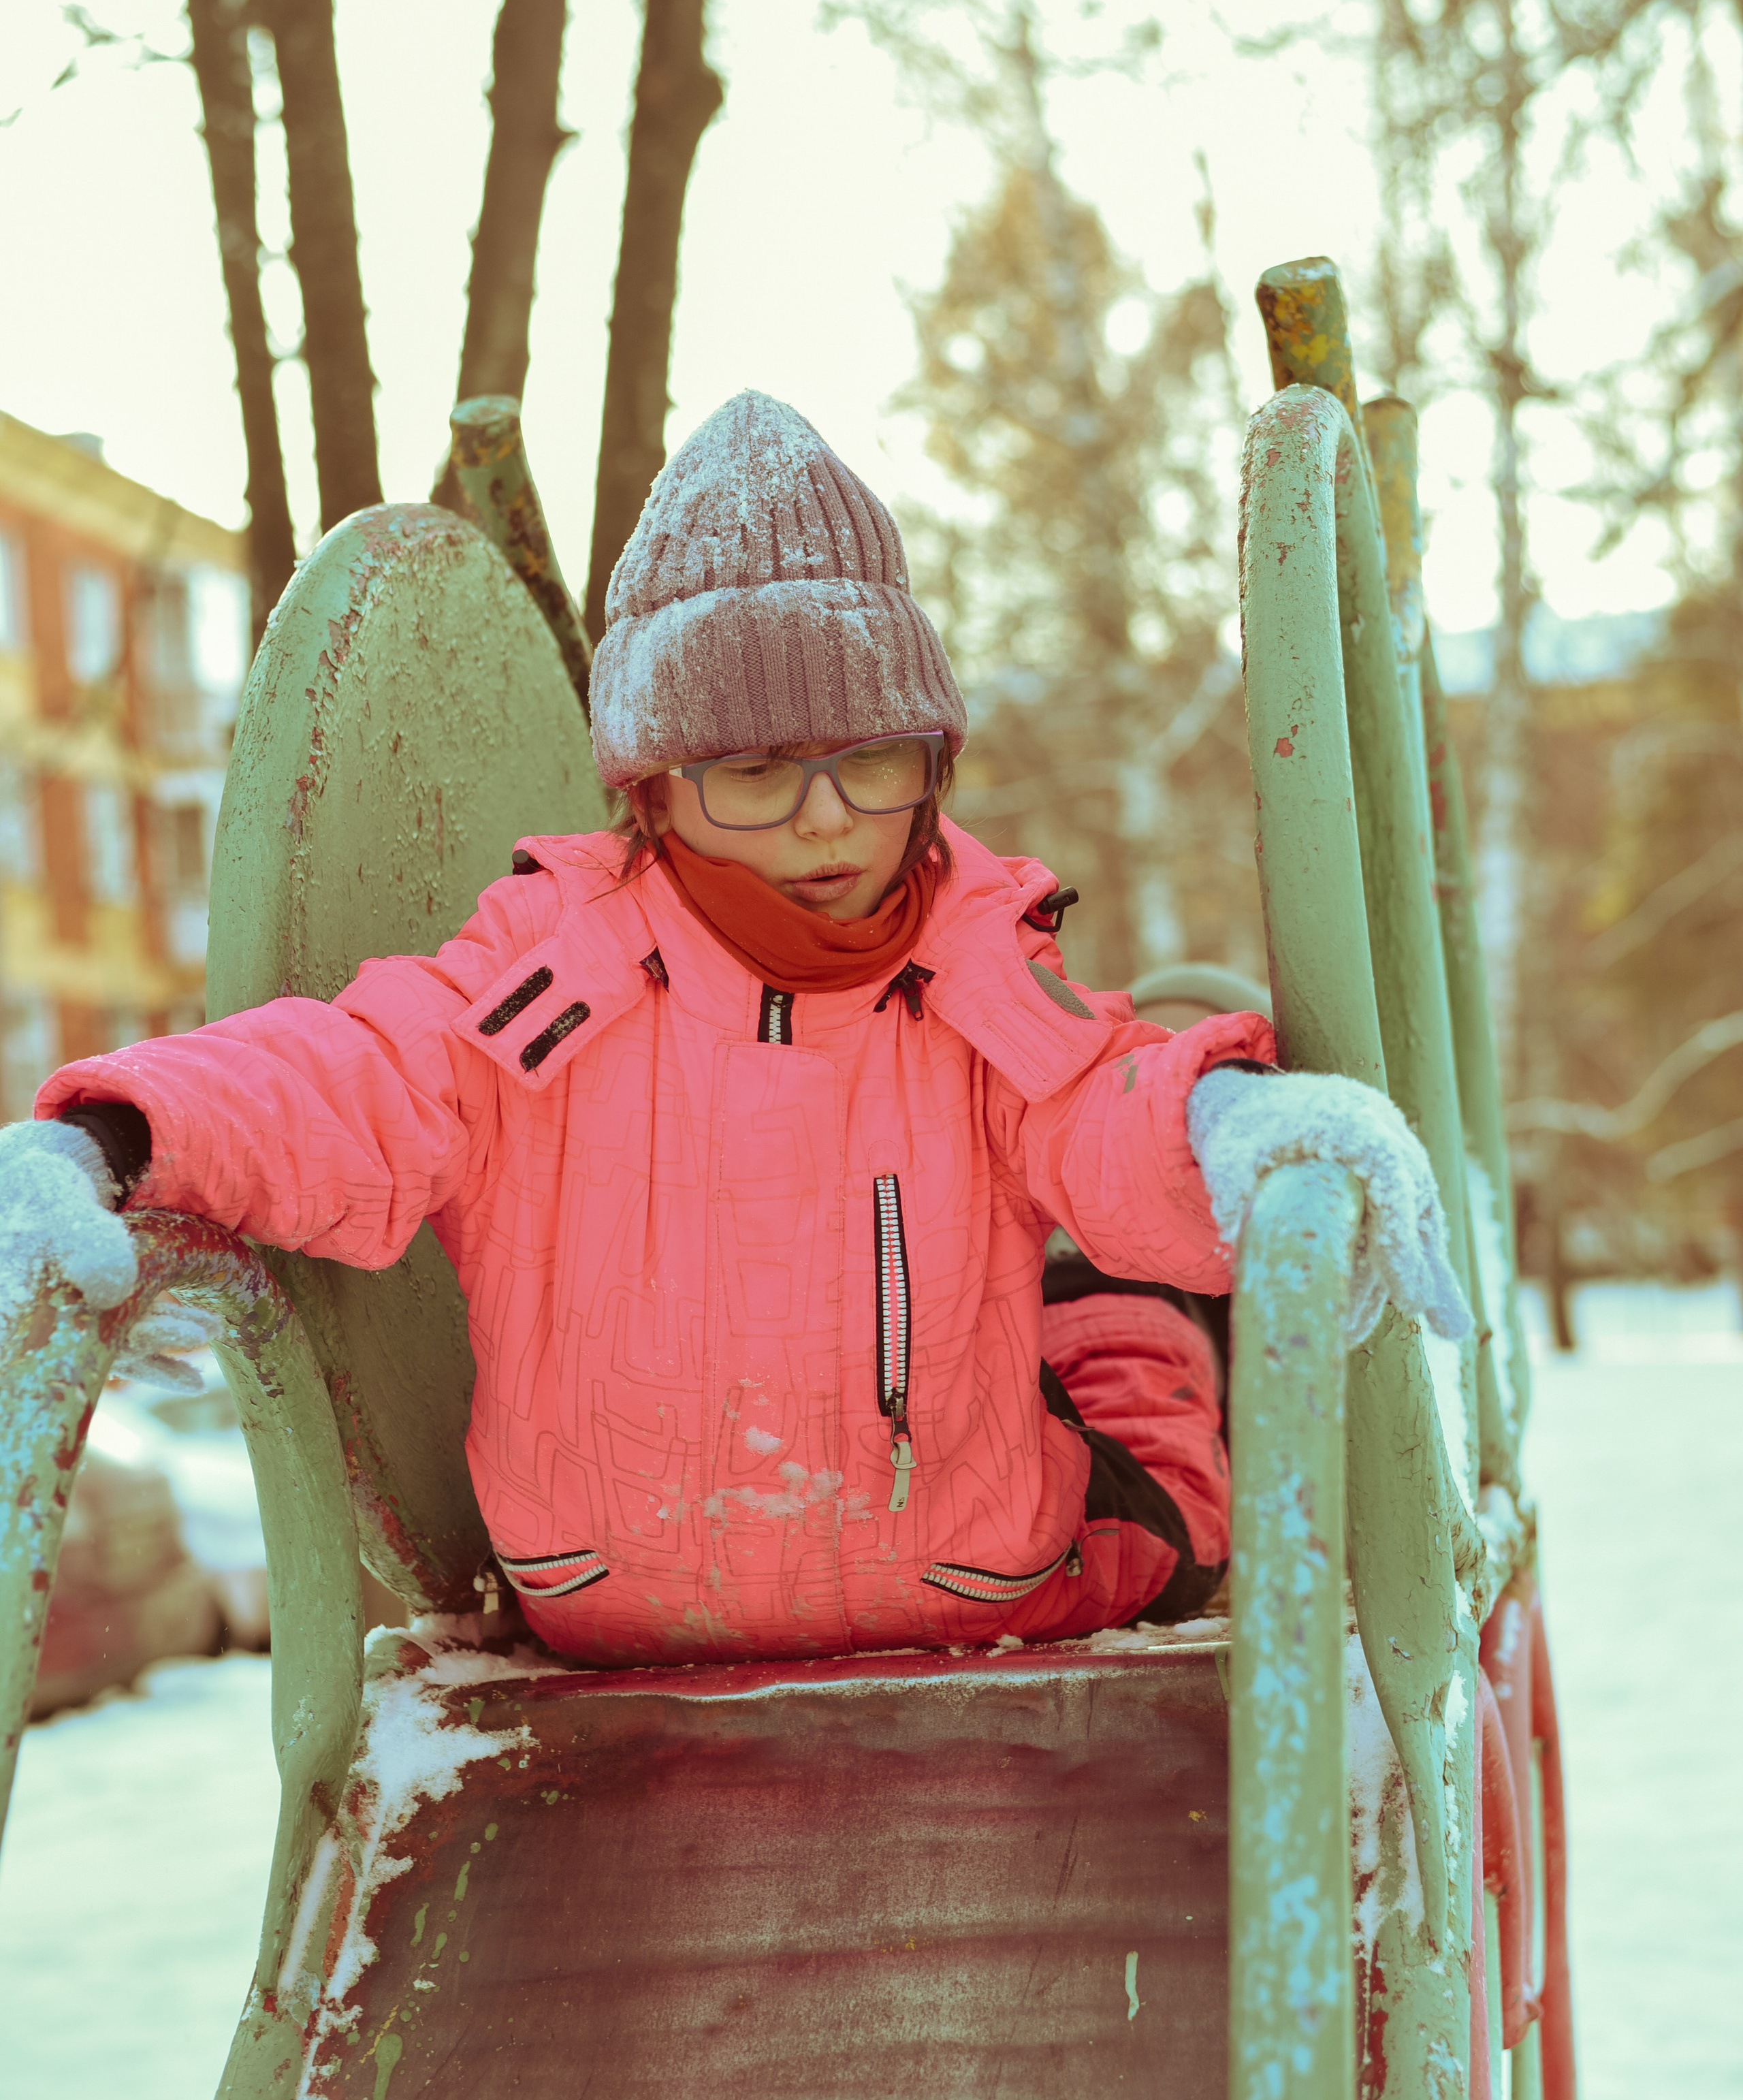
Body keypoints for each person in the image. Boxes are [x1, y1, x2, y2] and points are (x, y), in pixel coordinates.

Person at [0, 394, 1469, 1665]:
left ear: (930, 759)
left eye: (869, 760)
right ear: (649, 788)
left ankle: (1094, 1283)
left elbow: (1101, 1103)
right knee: (1129, 1354)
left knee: (1116, 1220)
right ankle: (1088, 1299)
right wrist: (112, 1136)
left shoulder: (969, 977)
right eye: (754, 772)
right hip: (839, 1596)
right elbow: (348, 1072)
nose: (825, 820)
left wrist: (1231, 1125)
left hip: (874, 1589)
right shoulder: (545, 987)